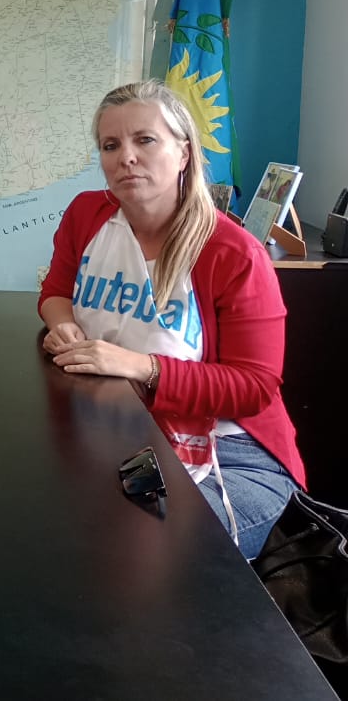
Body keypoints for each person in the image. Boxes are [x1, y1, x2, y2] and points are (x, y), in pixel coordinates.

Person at [39, 80, 304, 559]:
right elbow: (55, 292)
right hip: (127, 430)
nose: (126, 157)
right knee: (52, 524)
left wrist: (140, 366)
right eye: (110, 145)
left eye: (145, 140)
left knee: (142, 554)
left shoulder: (234, 253)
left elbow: (254, 387)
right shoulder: (86, 214)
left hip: (229, 453)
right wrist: (63, 324)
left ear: (183, 152)